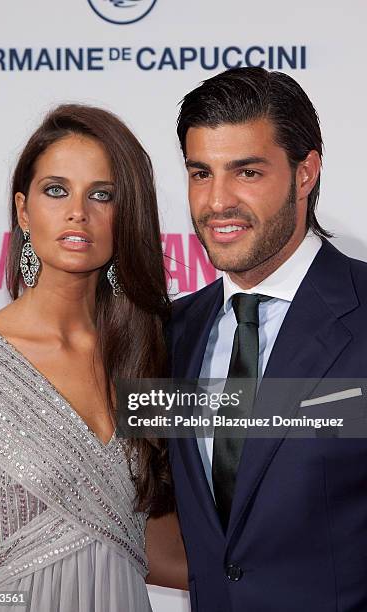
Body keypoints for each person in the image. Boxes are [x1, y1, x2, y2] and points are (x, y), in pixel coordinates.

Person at [0, 104, 187, 611]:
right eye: (56, 190)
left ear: (124, 215)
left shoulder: (151, 352)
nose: (77, 211)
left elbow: (156, 544)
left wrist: (315, 568)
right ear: (23, 210)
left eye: (102, 195)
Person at [167, 67, 367, 611]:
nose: (217, 201)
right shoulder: (170, 334)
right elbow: (185, 530)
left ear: (305, 174)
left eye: (247, 172)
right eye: (201, 173)